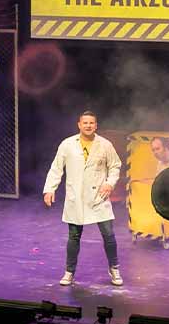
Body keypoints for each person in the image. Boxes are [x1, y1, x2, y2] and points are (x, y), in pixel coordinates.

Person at [43, 110, 124, 286]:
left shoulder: (105, 144)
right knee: (74, 236)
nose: (88, 125)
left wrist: (109, 183)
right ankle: (69, 272)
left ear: (96, 125)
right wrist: (50, 189)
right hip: (76, 197)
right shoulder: (67, 144)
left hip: (99, 197)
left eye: (91, 123)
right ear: (79, 125)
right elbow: (56, 168)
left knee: (109, 235)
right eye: (85, 122)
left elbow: (115, 166)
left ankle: (114, 268)